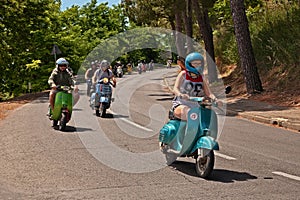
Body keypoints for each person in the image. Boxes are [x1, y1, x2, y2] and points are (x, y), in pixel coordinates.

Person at [172, 52, 221, 121]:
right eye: (195, 63)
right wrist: (181, 95)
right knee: (190, 113)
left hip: (196, 105)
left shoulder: (202, 77)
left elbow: (208, 93)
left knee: (208, 115)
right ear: (189, 64)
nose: (197, 66)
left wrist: (215, 99)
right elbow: (175, 88)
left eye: (199, 63)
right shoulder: (183, 74)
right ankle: (189, 131)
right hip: (181, 103)